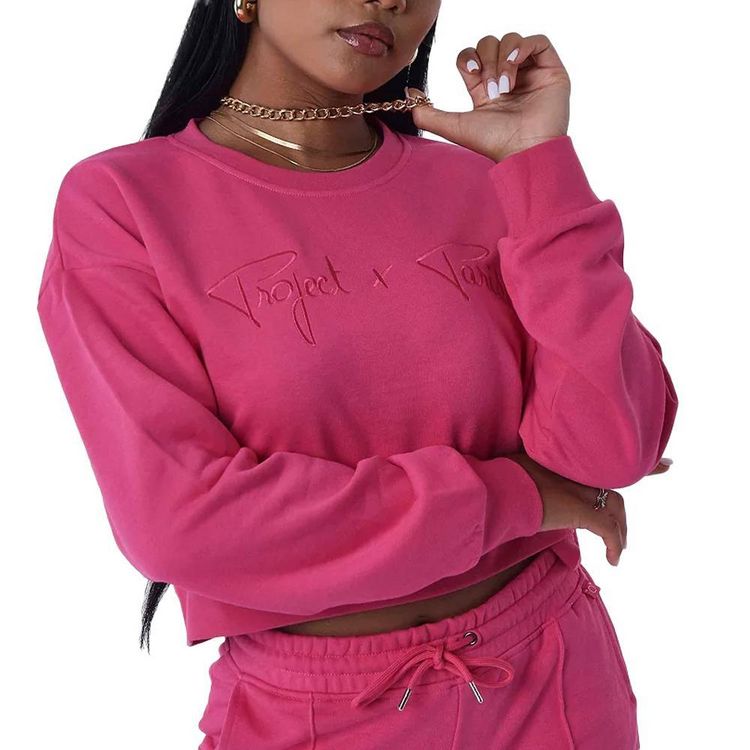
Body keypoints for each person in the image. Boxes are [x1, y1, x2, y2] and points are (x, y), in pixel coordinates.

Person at [36, 1, 678, 747]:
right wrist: (517, 496)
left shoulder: (483, 179)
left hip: (557, 679)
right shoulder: (123, 203)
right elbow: (184, 523)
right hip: (316, 714)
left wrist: (539, 167)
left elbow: (612, 448)